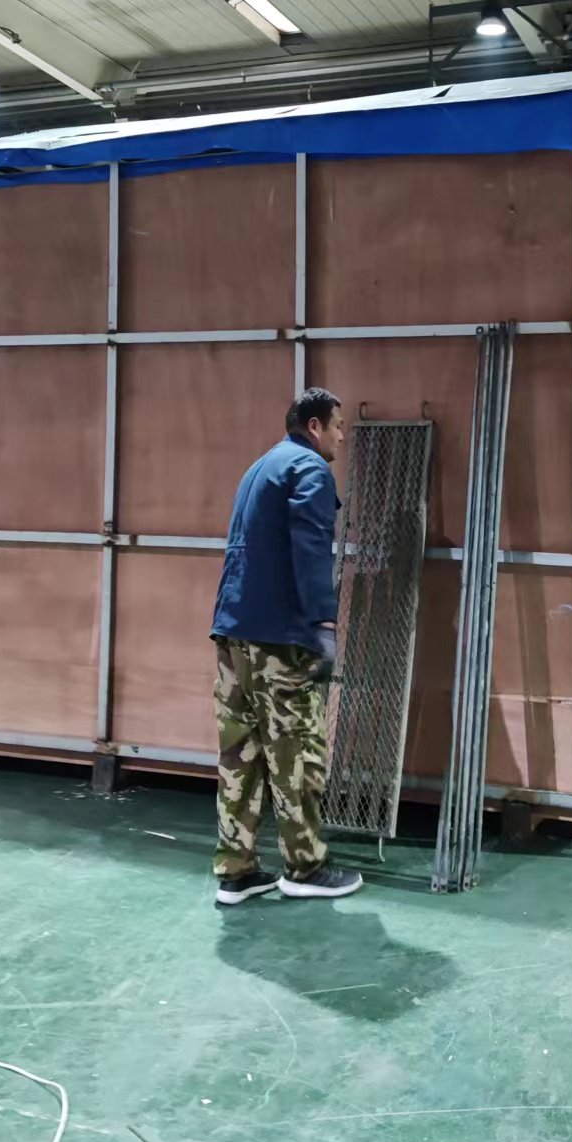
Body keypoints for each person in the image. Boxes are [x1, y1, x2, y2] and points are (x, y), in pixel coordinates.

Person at [209, 387, 363, 906]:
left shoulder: (260, 468)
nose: (342, 436)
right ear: (314, 426)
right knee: (297, 749)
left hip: (233, 631)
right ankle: (305, 867)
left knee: (241, 754)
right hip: (279, 638)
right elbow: (312, 548)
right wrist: (323, 625)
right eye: (337, 425)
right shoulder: (309, 469)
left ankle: (236, 872)